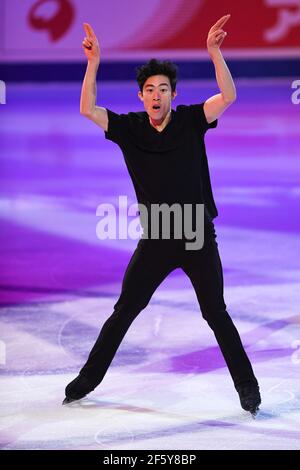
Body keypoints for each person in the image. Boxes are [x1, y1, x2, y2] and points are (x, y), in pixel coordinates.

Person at [63, 15, 261, 416]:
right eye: (150, 90)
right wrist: (93, 64)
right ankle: (87, 380)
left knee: (216, 313)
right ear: (140, 96)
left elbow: (228, 96)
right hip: (156, 239)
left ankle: (248, 388)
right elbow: (87, 108)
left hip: (196, 235)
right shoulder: (131, 128)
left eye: (163, 89)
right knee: (125, 310)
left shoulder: (190, 120)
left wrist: (215, 53)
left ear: (173, 94)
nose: (156, 96)